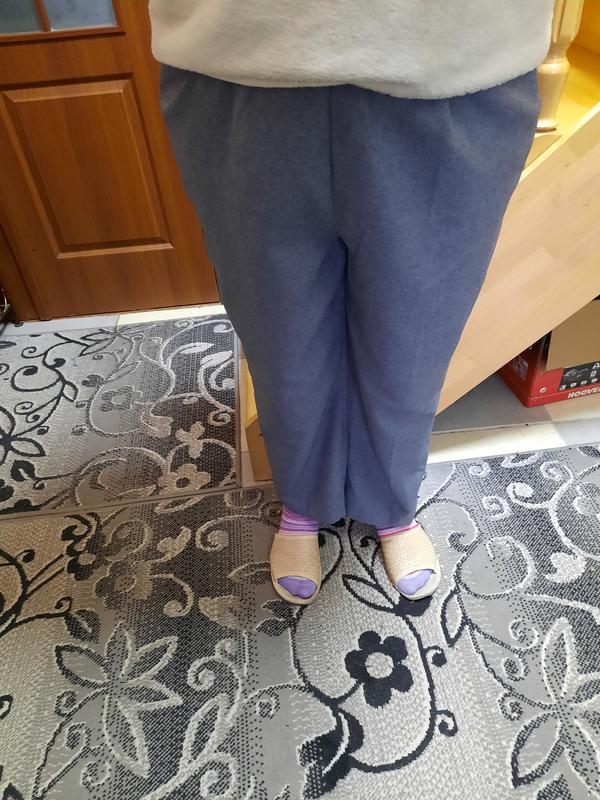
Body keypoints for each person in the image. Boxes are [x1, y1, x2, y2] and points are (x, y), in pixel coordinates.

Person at [149, 0, 554, 605]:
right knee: (280, 338)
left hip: (453, 62)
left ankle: (391, 503)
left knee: (414, 336)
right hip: (239, 61)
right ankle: (303, 502)